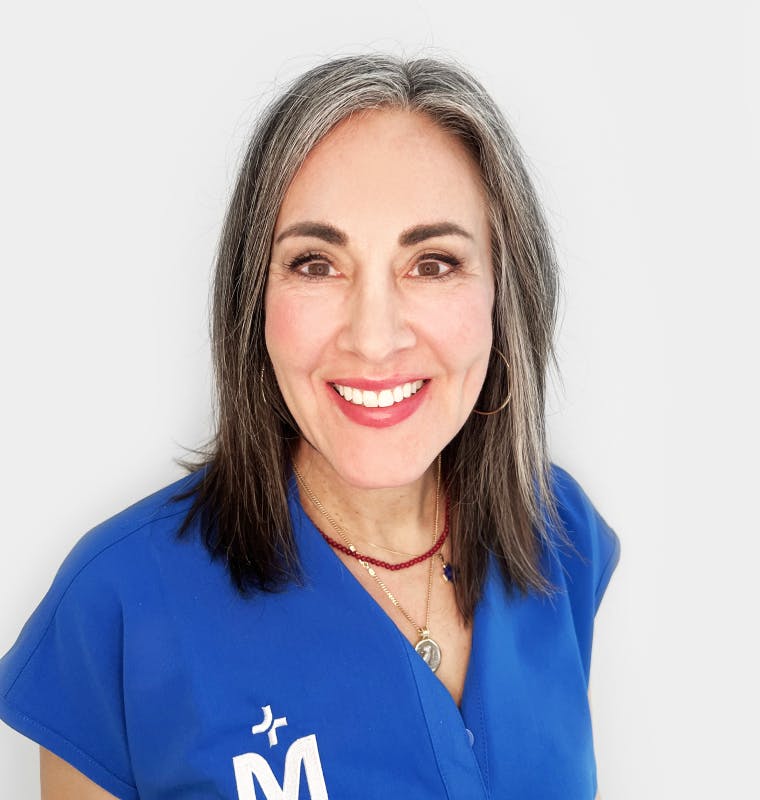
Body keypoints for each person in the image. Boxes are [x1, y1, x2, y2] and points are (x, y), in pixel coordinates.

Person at [0, 53, 620, 799]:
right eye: (316, 264)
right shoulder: (120, 605)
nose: (374, 338)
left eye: (432, 264)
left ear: (503, 293)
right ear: (254, 298)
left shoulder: (557, 533)